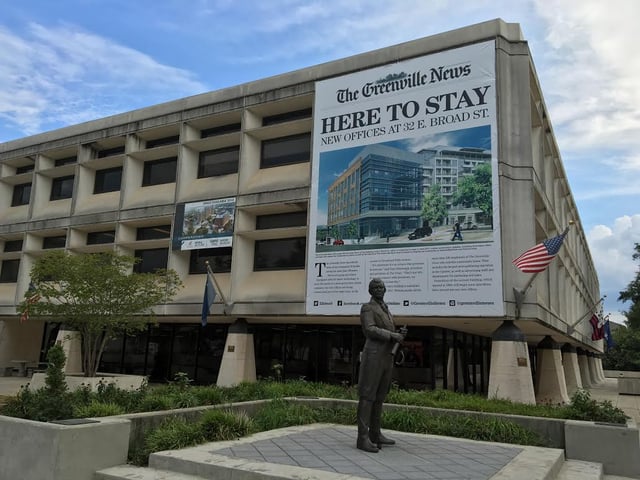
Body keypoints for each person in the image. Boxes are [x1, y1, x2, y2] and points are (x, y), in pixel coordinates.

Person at [357, 278, 406, 452]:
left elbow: (386, 331)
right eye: (375, 287)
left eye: (381, 286)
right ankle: (362, 438)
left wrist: (398, 334)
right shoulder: (367, 308)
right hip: (373, 355)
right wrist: (392, 336)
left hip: (386, 357)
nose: (379, 289)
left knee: (380, 396)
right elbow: (369, 329)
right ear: (370, 291)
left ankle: (375, 434)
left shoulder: (385, 309)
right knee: (367, 395)